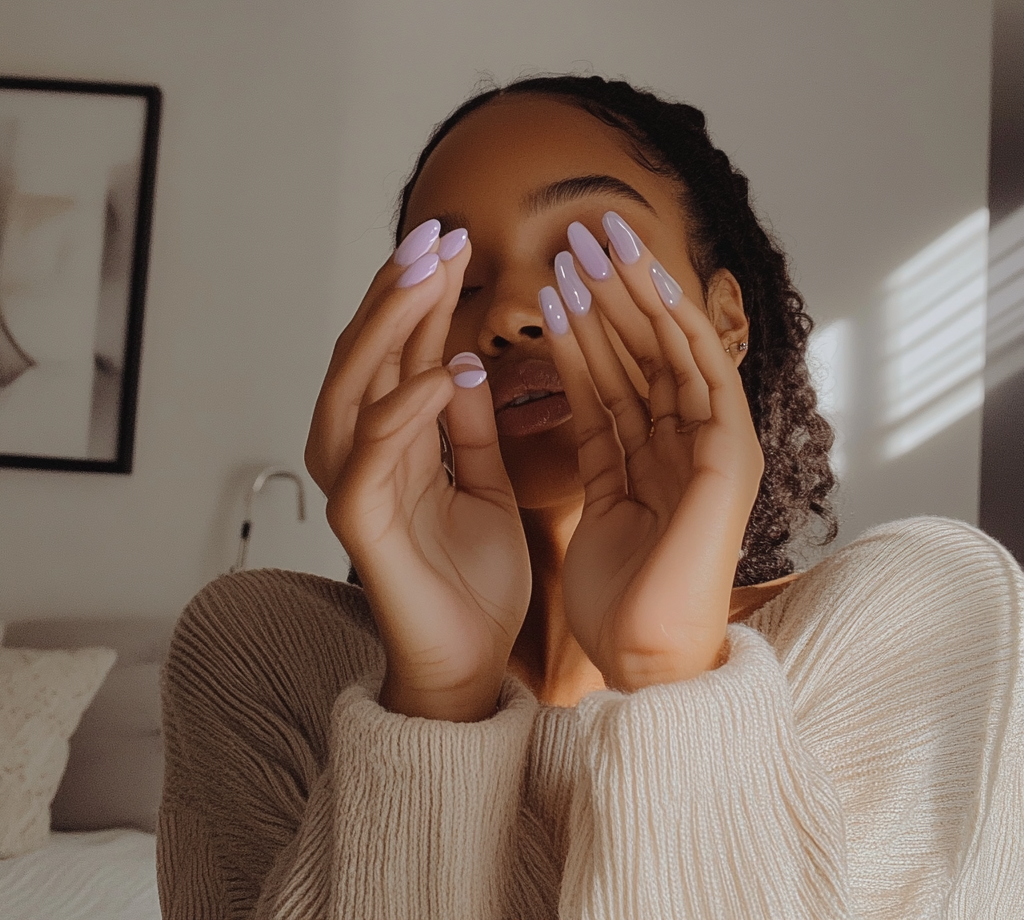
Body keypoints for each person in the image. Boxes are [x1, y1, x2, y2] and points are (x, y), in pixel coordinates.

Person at [157, 76, 1024, 919]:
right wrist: (438, 694)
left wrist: (669, 669)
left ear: (725, 318)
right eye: (454, 279)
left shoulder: (928, 618)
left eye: (586, 254)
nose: (510, 316)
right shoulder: (260, 659)